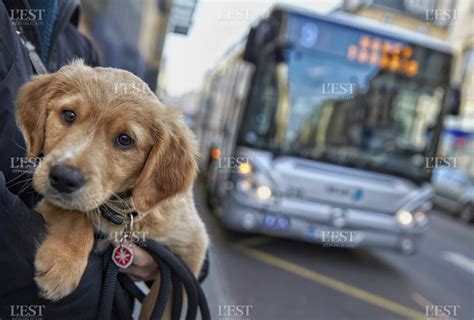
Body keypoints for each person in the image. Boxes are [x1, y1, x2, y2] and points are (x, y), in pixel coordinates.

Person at [0, 0, 158, 318]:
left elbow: (185, 240)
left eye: (124, 140)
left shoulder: (78, 43)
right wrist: (97, 275)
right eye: (69, 116)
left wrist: (161, 255)